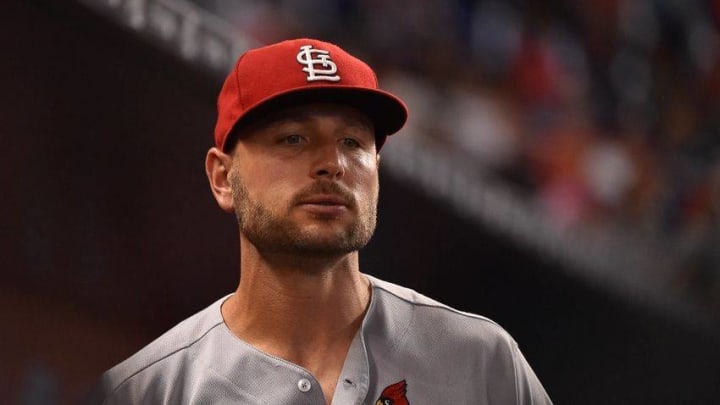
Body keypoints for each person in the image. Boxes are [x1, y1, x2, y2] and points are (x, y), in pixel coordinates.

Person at [85, 38, 553, 405]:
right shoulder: (146, 392)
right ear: (223, 178)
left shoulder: (481, 360)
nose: (332, 163)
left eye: (352, 142)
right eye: (292, 138)